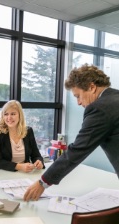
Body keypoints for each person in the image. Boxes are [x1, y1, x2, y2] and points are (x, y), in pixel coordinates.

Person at [24, 63, 119, 201]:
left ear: (92, 87)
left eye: (78, 96)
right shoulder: (115, 98)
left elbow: (78, 150)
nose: (79, 102)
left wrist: (42, 183)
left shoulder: (100, 108)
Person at [0, 100, 45, 172]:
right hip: (4, 173)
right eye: (6, 114)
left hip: (25, 173)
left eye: (13, 114)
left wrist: (39, 162)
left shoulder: (28, 131)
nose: (9, 118)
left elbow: (36, 155)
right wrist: (19, 166)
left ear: (20, 115)